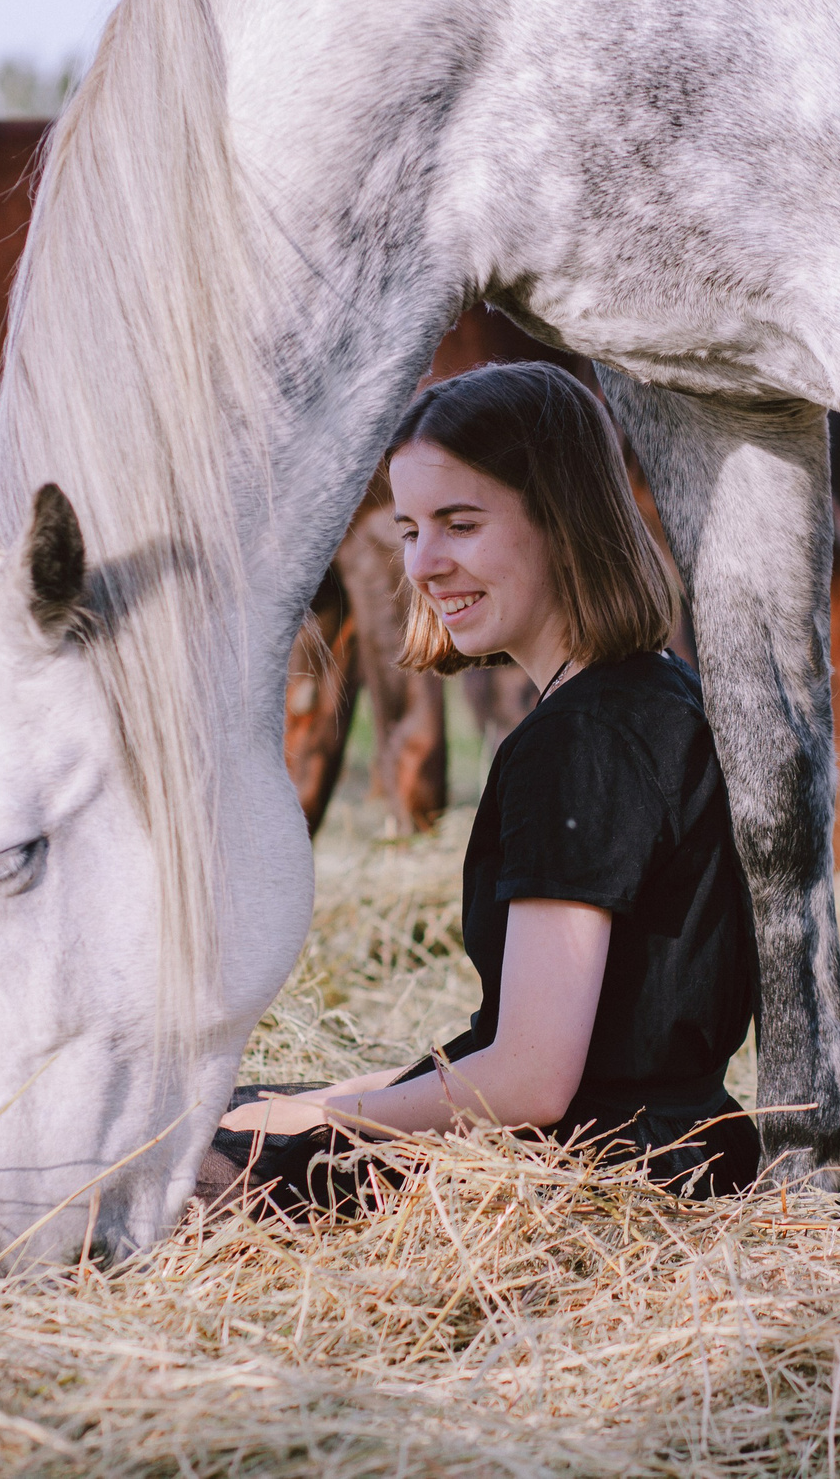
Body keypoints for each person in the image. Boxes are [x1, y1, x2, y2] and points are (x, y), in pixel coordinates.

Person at [206, 360, 760, 1210]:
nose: (424, 564)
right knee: (230, 1110)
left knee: (160, 1169)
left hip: (583, 1172)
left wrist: (322, 1122)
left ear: (563, 522)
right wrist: (313, 1101)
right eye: (407, 529)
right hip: (657, 1144)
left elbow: (533, 1078)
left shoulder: (581, 739)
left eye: (459, 524)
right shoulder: (657, 692)